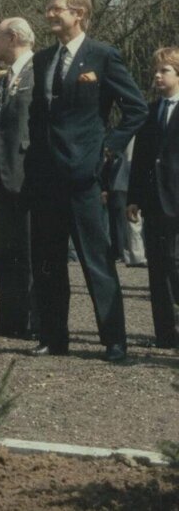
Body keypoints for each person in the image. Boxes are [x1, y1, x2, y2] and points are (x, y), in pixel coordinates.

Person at [24, 0, 147, 362]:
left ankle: (114, 341)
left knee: (96, 259)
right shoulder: (43, 59)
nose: (49, 14)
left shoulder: (103, 56)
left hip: (83, 174)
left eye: (56, 8)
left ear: (78, 13)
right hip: (45, 175)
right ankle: (53, 337)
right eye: (48, 8)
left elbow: (136, 109)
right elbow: (37, 114)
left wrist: (106, 150)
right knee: (47, 259)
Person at [0, 17, 38, 338]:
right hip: (1, 179)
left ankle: (32, 321)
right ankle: (10, 320)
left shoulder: (39, 73)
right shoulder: (2, 82)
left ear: (13, 36)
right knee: (5, 251)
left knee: (28, 251)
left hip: (28, 176)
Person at [126, 47, 179, 349]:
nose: (157, 76)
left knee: (176, 264)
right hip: (155, 201)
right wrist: (133, 198)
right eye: (155, 72)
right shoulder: (150, 112)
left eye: (165, 71)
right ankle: (165, 334)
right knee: (158, 267)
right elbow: (143, 160)